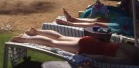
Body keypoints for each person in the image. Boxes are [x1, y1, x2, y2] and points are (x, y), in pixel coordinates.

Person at [10, 27, 139, 64]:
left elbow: (117, 44)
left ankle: (36, 32)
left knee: (60, 37)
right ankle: (22, 40)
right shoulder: (128, 59)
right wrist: (86, 55)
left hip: (93, 41)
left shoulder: (134, 49)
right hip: (89, 48)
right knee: (53, 44)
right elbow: (104, 58)